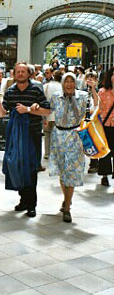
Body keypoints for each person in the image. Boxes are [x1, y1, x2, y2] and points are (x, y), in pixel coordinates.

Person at [0, 62, 50, 217]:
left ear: (29, 74)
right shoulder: (10, 92)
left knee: (31, 168)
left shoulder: (36, 89)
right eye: (18, 72)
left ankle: (31, 204)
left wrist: (29, 109)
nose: (21, 74)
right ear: (14, 74)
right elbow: (2, 114)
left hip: (33, 134)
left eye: (23, 71)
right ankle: (23, 199)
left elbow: (47, 110)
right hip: (16, 136)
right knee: (16, 165)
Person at [49, 72, 97, 222]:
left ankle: (67, 207)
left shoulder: (83, 95)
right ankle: (66, 199)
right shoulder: (56, 96)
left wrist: (94, 90)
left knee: (72, 171)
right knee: (62, 172)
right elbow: (48, 110)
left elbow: (95, 108)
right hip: (58, 136)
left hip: (75, 136)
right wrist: (33, 109)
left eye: (71, 81)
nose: (69, 84)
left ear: (75, 83)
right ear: (62, 83)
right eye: (66, 81)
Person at [98, 67, 114, 186]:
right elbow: (98, 109)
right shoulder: (103, 92)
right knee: (105, 152)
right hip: (105, 125)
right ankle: (104, 175)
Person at [43, 69, 62, 159]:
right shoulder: (63, 87)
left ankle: (47, 153)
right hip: (59, 115)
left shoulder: (46, 86)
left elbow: (43, 99)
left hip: (47, 113)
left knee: (47, 135)